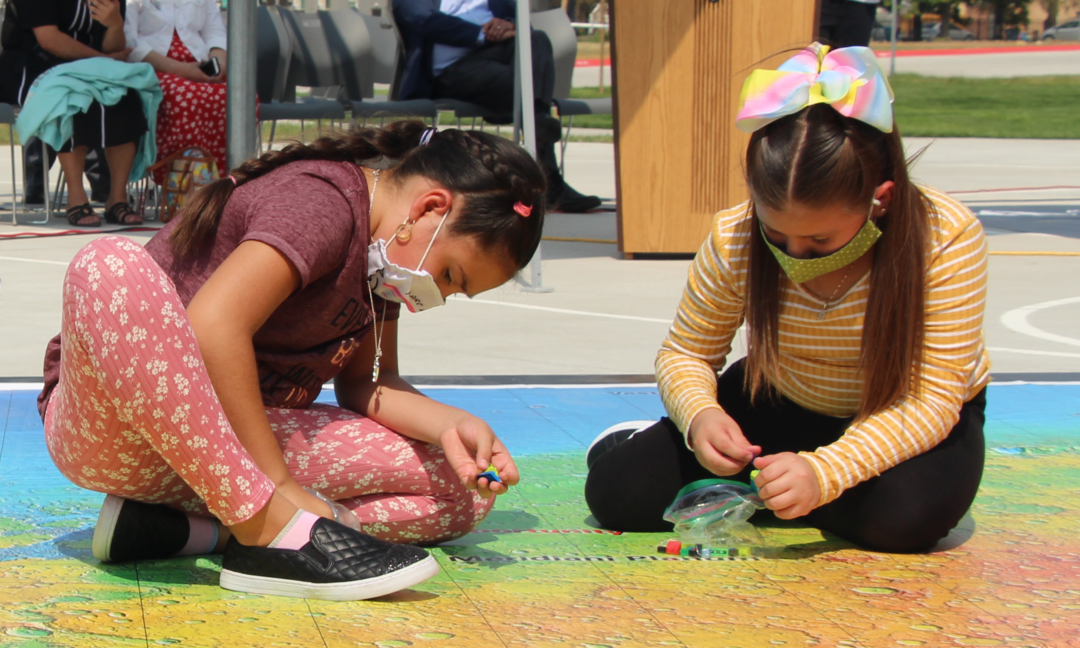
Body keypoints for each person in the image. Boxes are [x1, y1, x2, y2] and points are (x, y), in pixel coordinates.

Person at [38, 121, 547, 600]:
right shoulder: (322, 202)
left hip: (224, 456)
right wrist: (278, 484)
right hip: (117, 430)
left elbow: (369, 383)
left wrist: (452, 426)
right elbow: (215, 327)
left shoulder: (385, 265)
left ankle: (188, 530)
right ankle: (265, 530)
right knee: (109, 265)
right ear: (430, 208)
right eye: (452, 275)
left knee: (462, 492)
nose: (438, 295)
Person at [584, 43, 989, 554]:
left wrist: (826, 471)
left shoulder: (944, 237)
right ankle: (758, 475)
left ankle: (787, 484)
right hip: (782, 395)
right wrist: (701, 417)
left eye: (820, 240)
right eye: (776, 234)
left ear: (879, 200)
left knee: (904, 525)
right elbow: (686, 353)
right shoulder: (735, 234)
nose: (796, 254)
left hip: (901, 412)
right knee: (618, 494)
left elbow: (930, 400)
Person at [394, 0, 602, 213]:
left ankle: (538, 129)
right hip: (450, 72)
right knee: (525, 84)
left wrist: (509, 26)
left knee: (535, 40)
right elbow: (419, 18)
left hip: (495, 58)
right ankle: (548, 176)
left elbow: (520, 23)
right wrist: (482, 33)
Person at [0, 0, 147, 226]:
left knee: (124, 96)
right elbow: (49, 39)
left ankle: (117, 199)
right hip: (33, 62)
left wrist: (115, 25)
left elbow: (112, 47)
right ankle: (76, 197)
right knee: (71, 97)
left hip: (90, 65)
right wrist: (103, 61)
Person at [124, 0, 233, 184]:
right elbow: (129, 43)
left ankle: (223, 182)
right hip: (152, 68)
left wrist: (219, 64)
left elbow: (215, 32)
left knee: (236, 97)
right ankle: (184, 184)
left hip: (200, 66)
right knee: (185, 96)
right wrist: (182, 70)